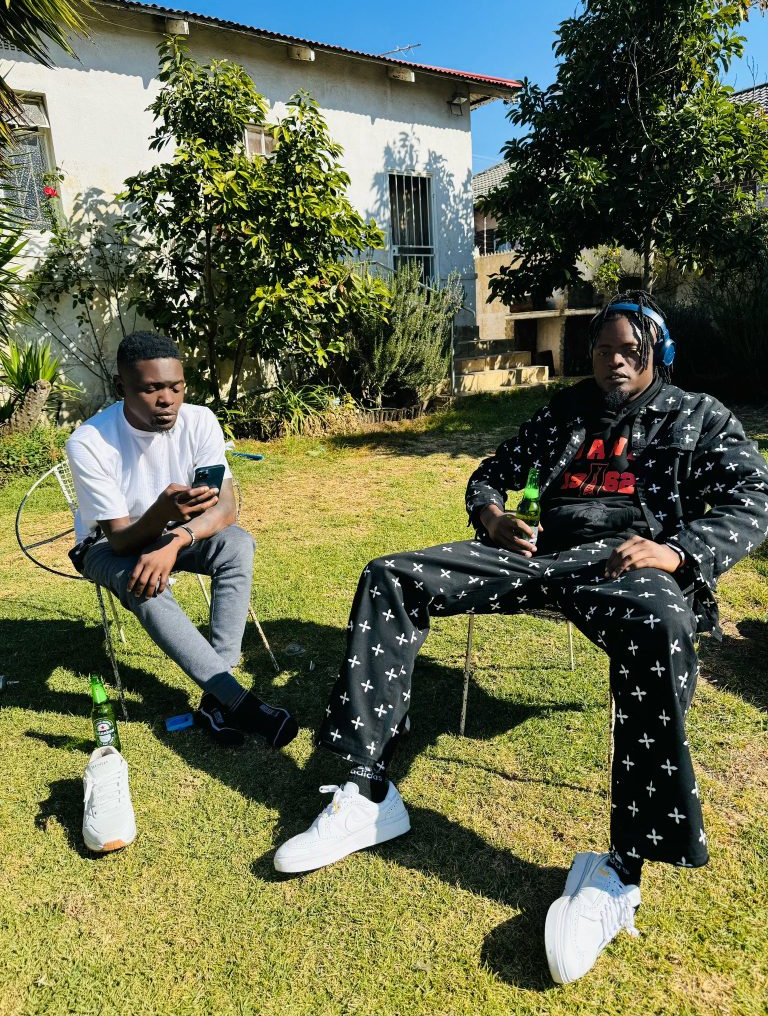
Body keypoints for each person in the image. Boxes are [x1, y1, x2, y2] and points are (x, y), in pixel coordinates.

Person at [273, 291, 768, 984]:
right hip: (535, 556)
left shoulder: (696, 416)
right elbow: (491, 476)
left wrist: (679, 553)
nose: (615, 362)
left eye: (631, 351)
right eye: (604, 350)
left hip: (627, 565)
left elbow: (755, 498)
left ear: (659, 354)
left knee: (660, 625)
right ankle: (368, 790)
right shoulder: (565, 411)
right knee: (390, 576)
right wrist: (493, 518)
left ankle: (622, 868)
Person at [66, 331, 297, 750]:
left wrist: (174, 538)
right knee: (143, 580)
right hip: (106, 545)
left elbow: (226, 509)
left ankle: (217, 695)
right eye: (151, 389)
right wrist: (160, 514)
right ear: (121, 387)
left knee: (236, 543)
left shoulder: (200, 420)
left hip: (175, 532)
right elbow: (120, 541)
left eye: (176, 387)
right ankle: (238, 702)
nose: (167, 400)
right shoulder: (90, 442)